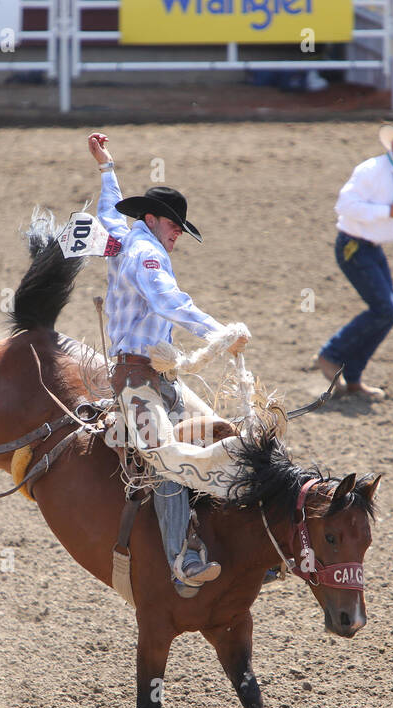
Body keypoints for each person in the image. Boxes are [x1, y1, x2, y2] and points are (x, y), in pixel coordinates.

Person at [87, 131, 251, 598]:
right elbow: (168, 301)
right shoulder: (145, 254)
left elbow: (108, 209)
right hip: (136, 379)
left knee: (222, 433)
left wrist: (106, 168)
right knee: (168, 460)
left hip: (157, 376)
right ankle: (184, 558)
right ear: (153, 219)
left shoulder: (124, 235)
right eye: (175, 225)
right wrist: (218, 331)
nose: (178, 233)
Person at [316, 120, 393, 400]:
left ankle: (354, 378)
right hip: (353, 246)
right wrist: (386, 212)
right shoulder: (371, 170)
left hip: (371, 248)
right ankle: (330, 355)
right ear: (392, 144)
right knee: (384, 309)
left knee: (387, 312)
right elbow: (344, 206)